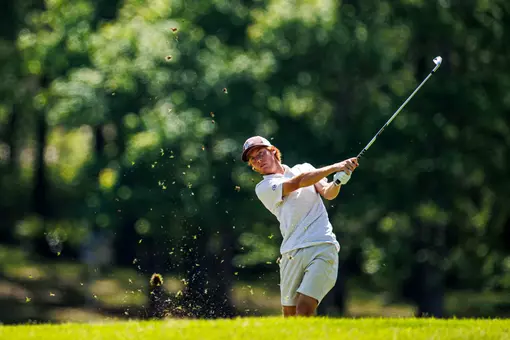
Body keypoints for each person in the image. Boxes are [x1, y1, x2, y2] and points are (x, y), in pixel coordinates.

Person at [241, 136, 359, 317]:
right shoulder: (264, 187)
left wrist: (338, 181)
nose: (259, 160)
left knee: (304, 309)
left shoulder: (305, 168)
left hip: (322, 245)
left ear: (273, 151)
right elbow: (298, 182)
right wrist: (337, 166)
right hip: (291, 253)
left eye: (261, 153)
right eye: (253, 159)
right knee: (290, 316)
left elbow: (328, 193)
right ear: (253, 166)